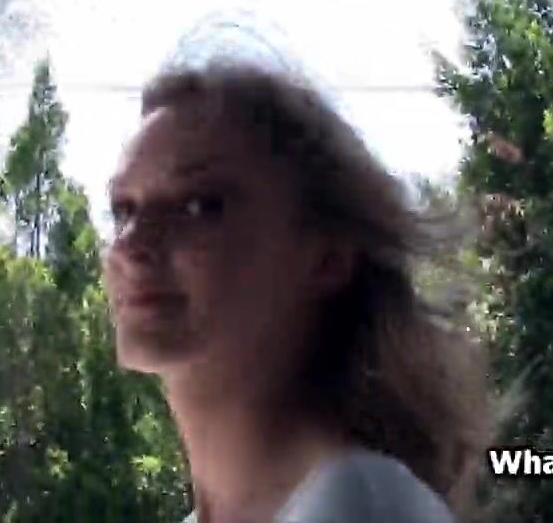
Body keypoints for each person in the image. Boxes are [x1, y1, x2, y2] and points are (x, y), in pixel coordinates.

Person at [102, 54, 488, 523]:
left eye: (201, 205)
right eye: (123, 210)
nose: (130, 246)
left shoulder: (362, 506)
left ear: (328, 256)